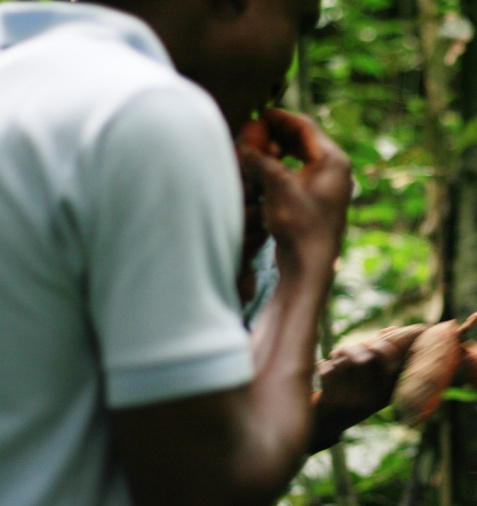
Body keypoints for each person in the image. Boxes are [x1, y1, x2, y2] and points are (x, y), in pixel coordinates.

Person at [0, 0, 404, 504]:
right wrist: (306, 260)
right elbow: (209, 487)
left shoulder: (23, 82)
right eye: (298, 20)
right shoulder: (143, 109)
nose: (281, 79)